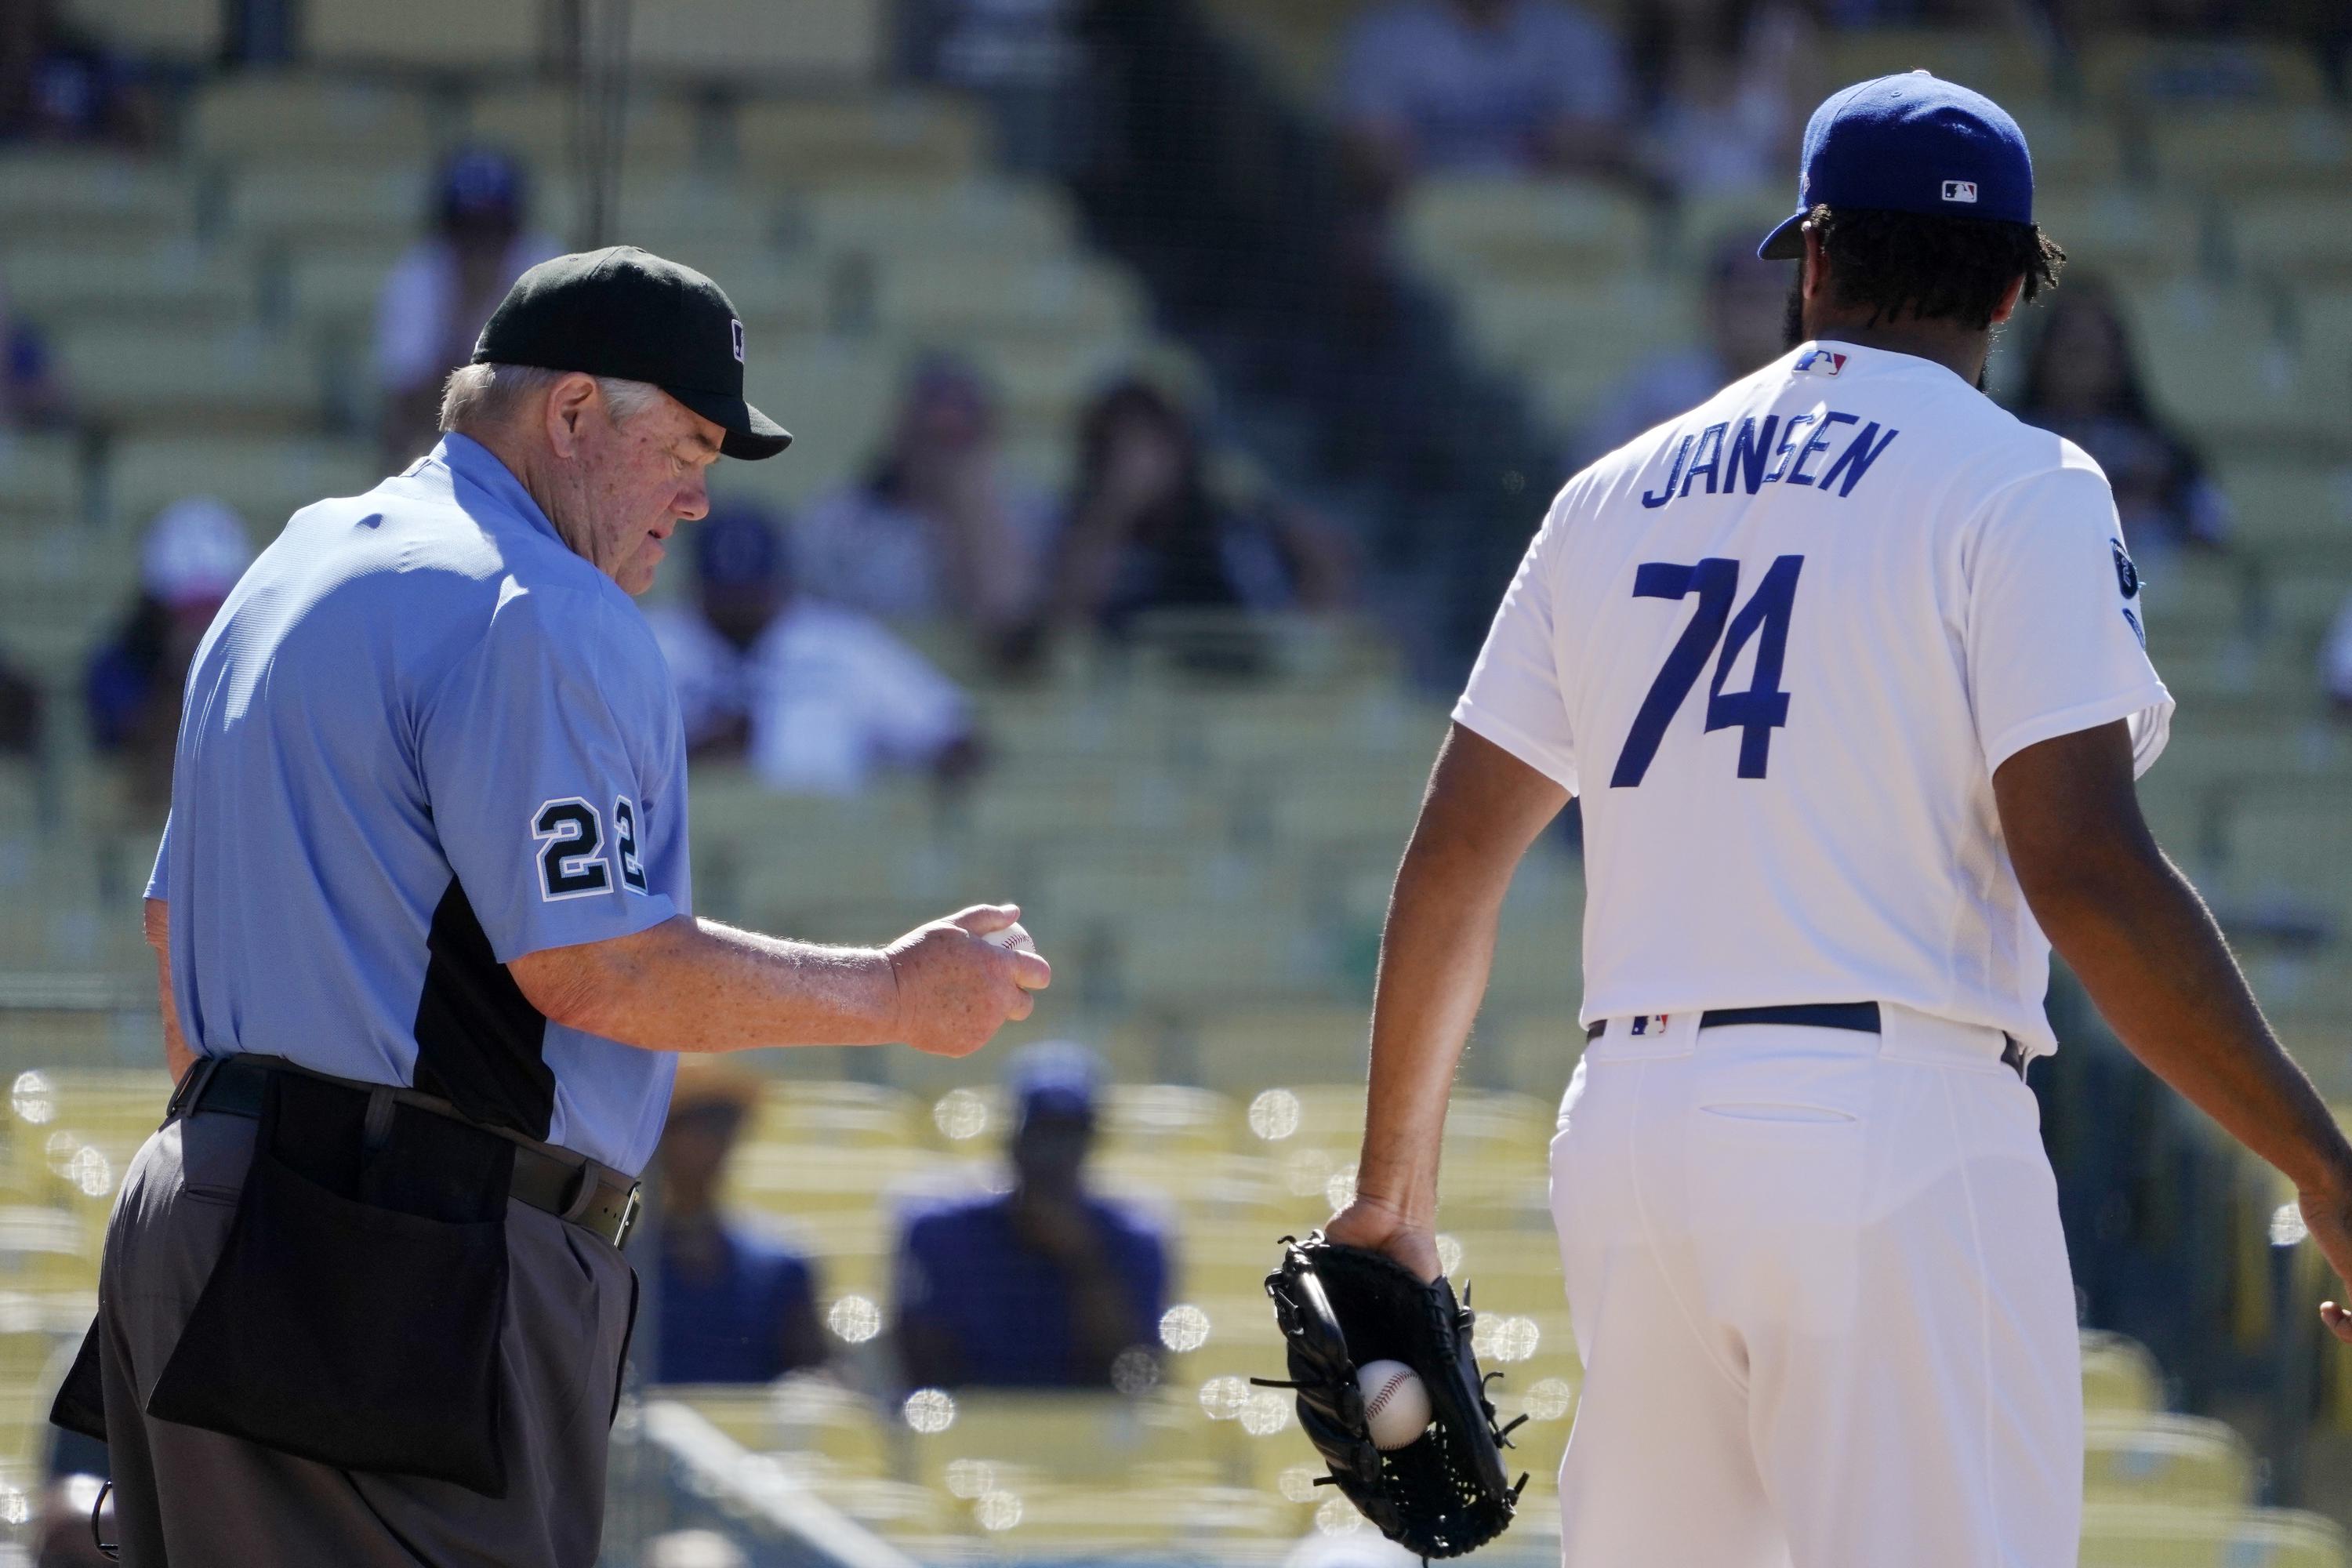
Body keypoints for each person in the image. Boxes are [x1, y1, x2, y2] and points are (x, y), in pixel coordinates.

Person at [1320, 74, 2352, 1568]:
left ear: (1810, 261)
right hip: (1890, 1116)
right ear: (2010, 285)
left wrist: (1392, 1193)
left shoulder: (1613, 494)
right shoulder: (2023, 485)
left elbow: (1459, 859)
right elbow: (2083, 867)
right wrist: (2320, 1164)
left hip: (1633, 1133)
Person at [71, 247, 1050, 1568]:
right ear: (575, 414)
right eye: (689, 447)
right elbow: (592, 966)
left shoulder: (289, 570)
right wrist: (892, 991)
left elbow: (169, 928)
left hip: (203, 1211)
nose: (700, 501)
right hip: (407, 1253)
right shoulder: (537, 604)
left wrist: (232, 1214)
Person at [648, 503, 981, 796]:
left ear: (780, 583)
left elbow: (952, 735)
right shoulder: (650, 641)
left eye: (751, 593)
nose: (739, 606)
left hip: (825, 838)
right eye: (726, 594)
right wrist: (691, 756)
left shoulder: (840, 641)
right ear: (696, 586)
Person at [894, 1044, 1167, 1389]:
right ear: (1010, 1137)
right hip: (970, 1434)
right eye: (1039, 1133)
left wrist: (1084, 1260)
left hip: (1087, 1437)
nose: (1052, 1154)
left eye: (1069, 1135)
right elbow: (920, 1374)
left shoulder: (1134, 1240)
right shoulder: (941, 1232)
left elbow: (1136, 1373)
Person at [1039, 376, 1351, 643]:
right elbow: (1065, 625)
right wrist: (1113, 507)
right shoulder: (1080, 529)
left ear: (1178, 449)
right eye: (1119, 448)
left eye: (1148, 443)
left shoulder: (1230, 531)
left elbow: (1278, 626)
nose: (1137, 462)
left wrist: (1320, 567)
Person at [792, 355, 1056, 654]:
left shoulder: (1027, 512)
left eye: (958, 439)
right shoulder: (837, 522)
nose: (942, 456)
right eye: (933, 435)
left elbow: (1012, 627)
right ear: (902, 429)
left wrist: (970, 506)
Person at [2012, 278, 2233, 554]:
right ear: (2041, 352)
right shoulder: (2007, 441)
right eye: (2072, 347)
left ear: (2118, 356)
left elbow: (2211, 533)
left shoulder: (2166, 452)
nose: (2083, 363)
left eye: (2095, 347)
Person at [375, 147, 561, 469]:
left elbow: (552, 397)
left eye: (494, 230)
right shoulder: (421, 276)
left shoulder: (545, 268)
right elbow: (411, 411)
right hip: (446, 452)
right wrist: (465, 313)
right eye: (469, 232)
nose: (481, 247)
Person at [651, 1064, 829, 1385]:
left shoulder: (783, 1266)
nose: (713, 1142)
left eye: (723, 1123)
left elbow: (813, 1374)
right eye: (693, 1124)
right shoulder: (618, 1263)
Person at [1337, 0, 1632, 191]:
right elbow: (1375, 156)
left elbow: (1589, 147)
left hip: (1544, 221)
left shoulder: (1574, 32)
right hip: (1421, 222)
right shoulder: (1385, 36)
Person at [85, 499, 253, 812]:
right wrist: (178, 674)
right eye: (185, 611)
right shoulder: (118, 666)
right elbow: (144, 744)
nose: (199, 625)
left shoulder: (265, 661)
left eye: (211, 610)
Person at [1573, 231, 1791, 464]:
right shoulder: (1660, 395)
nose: (1755, 316)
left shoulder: (1815, 390)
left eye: (1768, 298)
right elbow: (1593, 471)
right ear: (1713, 305)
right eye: (1746, 298)